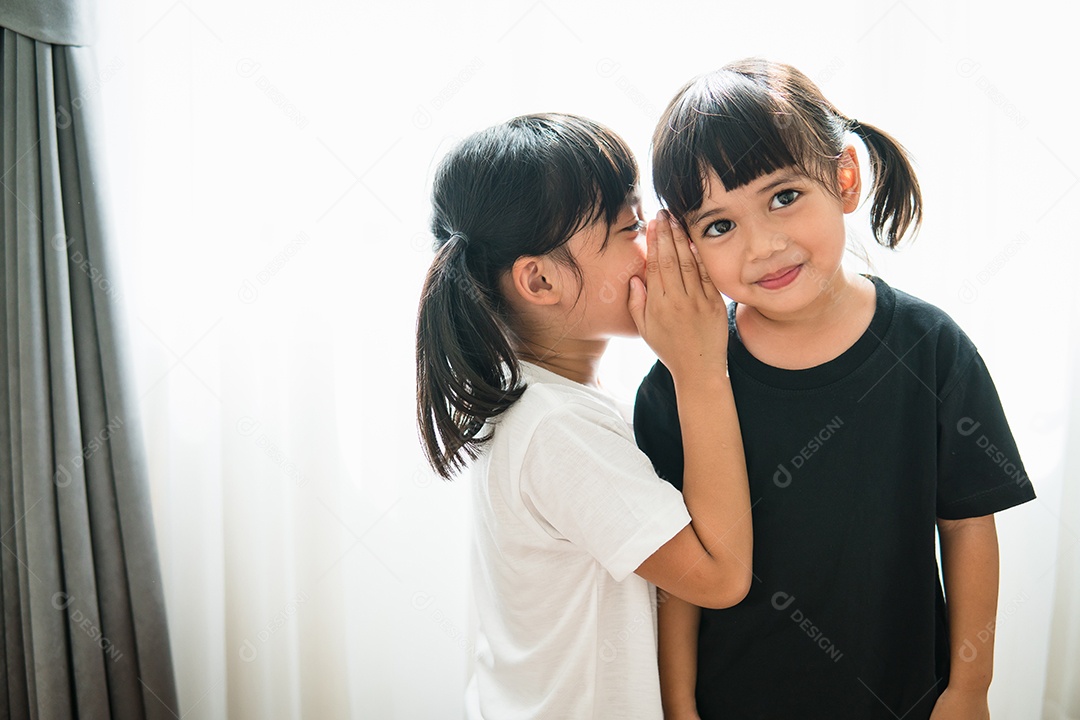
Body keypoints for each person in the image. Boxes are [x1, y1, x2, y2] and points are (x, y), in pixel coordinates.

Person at [634, 59, 1036, 720]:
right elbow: (678, 576)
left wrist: (969, 689)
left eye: (783, 197)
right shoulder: (683, 378)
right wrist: (678, 704)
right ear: (684, 246)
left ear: (843, 179)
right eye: (719, 226)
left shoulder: (930, 348)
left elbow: (966, 530)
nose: (763, 245)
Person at [415, 113, 754, 719]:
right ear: (540, 279)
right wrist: (700, 369)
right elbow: (720, 576)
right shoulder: (557, 430)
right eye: (628, 226)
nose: (657, 238)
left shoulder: (542, 401)